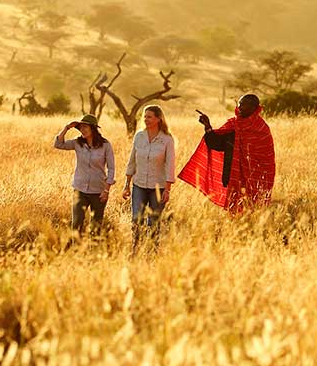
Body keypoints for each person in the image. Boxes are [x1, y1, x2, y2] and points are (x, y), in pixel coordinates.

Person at [179, 93, 275, 213]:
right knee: (235, 213)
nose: (239, 107)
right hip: (234, 178)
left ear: (253, 108)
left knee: (256, 212)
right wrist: (208, 126)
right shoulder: (233, 125)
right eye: (239, 104)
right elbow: (216, 144)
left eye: (243, 105)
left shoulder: (261, 129)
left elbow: (267, 160)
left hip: (256, 180)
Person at [122, 105, 176, 249]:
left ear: (158, 119)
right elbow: (132, 160)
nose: (146, 119)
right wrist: (127, 185)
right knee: (136, 219)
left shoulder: (167, 139)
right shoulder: (139, 136)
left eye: (150, 117)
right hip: (138, 184)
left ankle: (152, 250)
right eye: (145, 116)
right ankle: (135, 248)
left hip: (158, 187)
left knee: (153, 222)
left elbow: (170, 165)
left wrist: (168, 189)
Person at [53, 113, 115, 236]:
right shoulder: (77, 143)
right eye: (81, 127)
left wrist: (106, 190)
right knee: (76, 225)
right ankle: (75, 253)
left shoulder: (105, 145)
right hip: (80, 190)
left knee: (96, 228)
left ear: (93, 128)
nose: (82, 130)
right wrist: (66, 128)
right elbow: (58, 144)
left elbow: (111, 169)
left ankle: (93, 253)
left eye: (85, 127)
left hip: (98, 191)